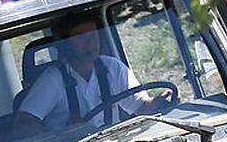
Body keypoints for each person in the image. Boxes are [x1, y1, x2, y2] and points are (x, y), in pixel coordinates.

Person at [16, 20, 164, 131]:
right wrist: (61, 136)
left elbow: (141, 106)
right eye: (80, 37)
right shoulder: (53, 79)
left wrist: (159, 101)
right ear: (65, 44)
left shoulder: (112, 67)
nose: (90, 42)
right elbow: (25, 123)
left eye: (93, 34)